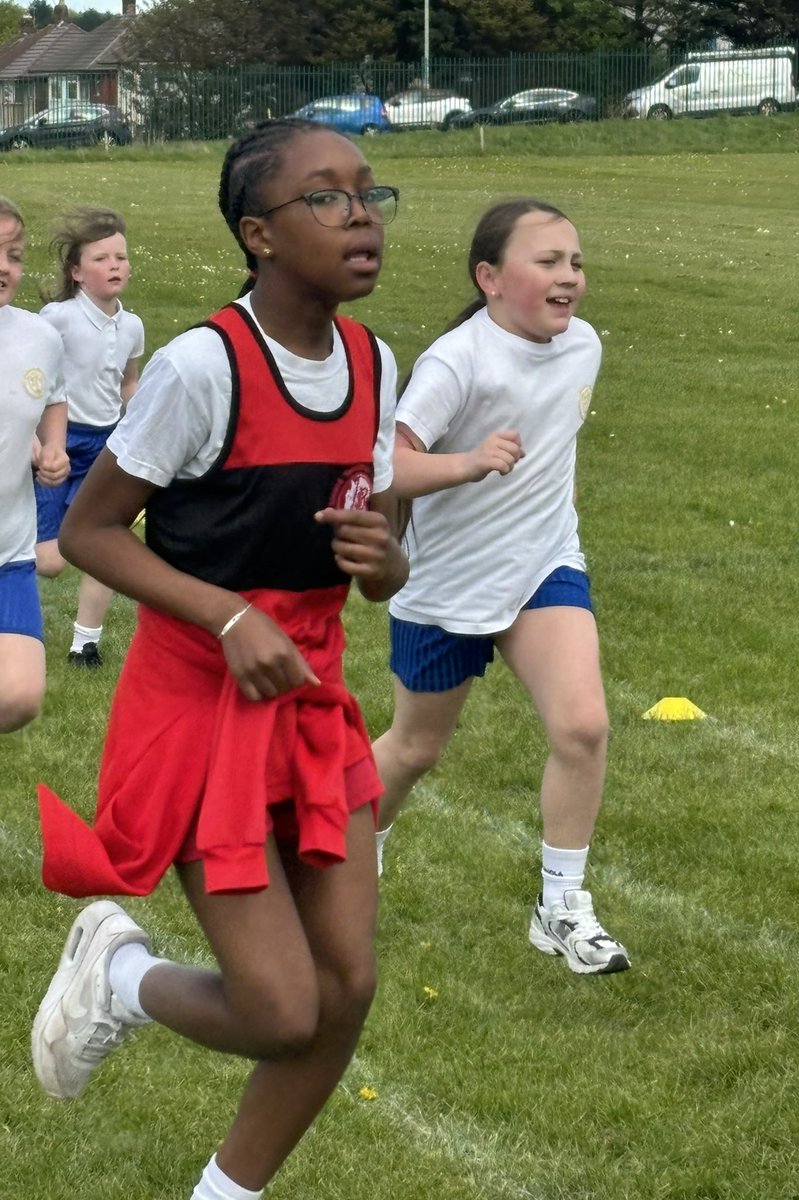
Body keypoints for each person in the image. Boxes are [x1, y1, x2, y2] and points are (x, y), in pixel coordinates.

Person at [31, 119, 408, 1200]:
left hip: (311, 700)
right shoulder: (206, 366)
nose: (362, 215)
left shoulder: (378, 363)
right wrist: (228, 616)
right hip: (202, 705)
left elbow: (381, 569)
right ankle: (121, 974)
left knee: (347, 990)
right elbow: (95, 534)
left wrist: (384, 556)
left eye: (370, 192)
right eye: (326, 198)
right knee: (284, 1009)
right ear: (260, 235)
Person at [373, 198, 631, 976]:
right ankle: (353, 849)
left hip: (544, 565)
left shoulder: (583, 347)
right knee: (417, 746)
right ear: (489, 278)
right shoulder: (459, 360)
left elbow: (556, 447)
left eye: (575, 262)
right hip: (447, 584)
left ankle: (561, 909)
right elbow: (388, 462)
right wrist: (469, 462)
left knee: (583, 725)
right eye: (547, 262)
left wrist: (551, 509)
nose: (570, 277)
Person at [34, 205, 144, 668]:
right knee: (51, 561)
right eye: (102, 258)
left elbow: (128, 383)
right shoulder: (56, 318)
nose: (115, 265)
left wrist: (138, 419)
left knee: (103, 543)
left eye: (121, 256)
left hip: (106, 446)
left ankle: (85, 645)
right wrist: (38, 445)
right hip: (58, 442)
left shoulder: (133, 325)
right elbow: (30, 378)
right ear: (77, 272)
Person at [0, 196, 69, 733]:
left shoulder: (40, 337)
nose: (5, 266)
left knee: (19, 697)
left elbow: (52, 397)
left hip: (9, 550)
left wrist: (53, 446)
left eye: (15, 255)